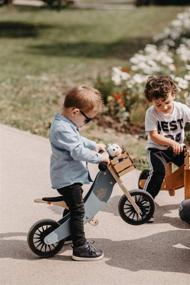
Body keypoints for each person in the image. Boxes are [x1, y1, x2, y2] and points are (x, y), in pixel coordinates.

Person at [49, 85, 109, 261]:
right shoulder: (62, 129)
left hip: (69, 177)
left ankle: (67, 233)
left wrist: (93, 145)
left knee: (73, 207)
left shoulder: (65, 123)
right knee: (78, 211)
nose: (87, 123)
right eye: (88, 120)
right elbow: (77, 152)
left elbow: (78, 140)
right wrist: (100, 158)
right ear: (76, 112)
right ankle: (80, 247)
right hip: (67, 179)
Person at [143, 75, 190, 200]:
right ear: (151, 101)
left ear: (173, 94)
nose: (163, 107)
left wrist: (175, 145)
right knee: (159, 172)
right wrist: (171, 143)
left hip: (177, 149)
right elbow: (154, 136)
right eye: (158, 105)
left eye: (167, 102)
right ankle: (144, 202)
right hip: (157, 150)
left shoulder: (182, 109)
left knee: (189, 167)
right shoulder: (151, 113)